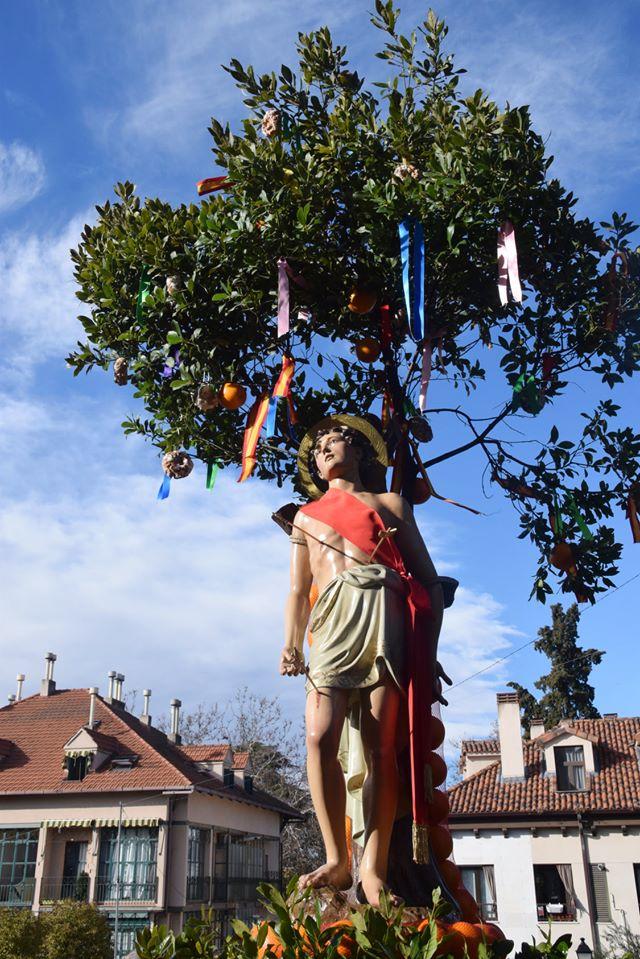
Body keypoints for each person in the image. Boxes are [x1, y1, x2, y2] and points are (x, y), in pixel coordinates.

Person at [279, 414, 455, 908]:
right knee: (319, 736)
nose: (324, 451)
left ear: (358, 451)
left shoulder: (391, 504)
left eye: (333, 442)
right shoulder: (306, 516)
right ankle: (337, 858)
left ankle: (372, 870)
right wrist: (290, 642)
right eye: (317, 449)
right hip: (331, 624)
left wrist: (431, 652)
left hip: (384, 619)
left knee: (381, 746)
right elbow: (297, 591)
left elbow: (431, 585)